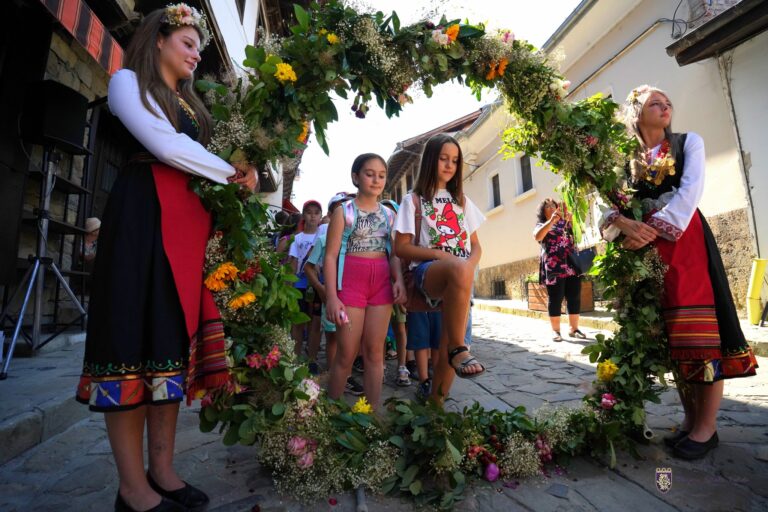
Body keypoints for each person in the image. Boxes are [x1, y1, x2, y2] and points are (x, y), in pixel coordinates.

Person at [75, 5, 258, 512]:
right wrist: (230, 173)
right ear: (158, 39)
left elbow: (202, 159)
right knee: (130, 344)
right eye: (188, 43)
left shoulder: (194, 107)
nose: (197, 53)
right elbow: (165, 145)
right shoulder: (127, 82)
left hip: (185, 229)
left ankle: (163, 470)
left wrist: (245, 174)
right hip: (141, 222)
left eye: (199, 46)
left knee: (167, 346)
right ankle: (132, 489)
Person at [601, 85, 758, 459]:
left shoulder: (689, 143)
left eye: (668, 101)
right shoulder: (624, 159)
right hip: (644, 252)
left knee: (700, 336)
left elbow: (690, 191)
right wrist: (623, 225)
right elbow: (605, 206)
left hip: (686, 244)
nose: (665, 105)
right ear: (635, 113)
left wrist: (649, 229)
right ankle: (690, 421)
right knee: (672, 339)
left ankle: (707, 428)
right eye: (655, 102)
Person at [394, 133, 486, 404]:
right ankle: (459, 349)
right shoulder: (413, 200)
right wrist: (439, 255)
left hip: (460, 279)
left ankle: (436, 408)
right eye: (443, 158)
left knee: (451, 341)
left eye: (455, 160)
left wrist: (466, 267)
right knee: (458, 346)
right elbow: (401, 247)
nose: (449, 165)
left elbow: (477, 246)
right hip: (427, 272)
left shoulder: (461, 201)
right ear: (431, 160)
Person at [325, 153, 405, 409]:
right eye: (370, 174)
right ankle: (330, 415)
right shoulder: (343, 212)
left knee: (375, 353)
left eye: (381, 175)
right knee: (346, 355)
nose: (376, 180)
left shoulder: (390, 215)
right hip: (350, 287)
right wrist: (332, 297)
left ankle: (370, 416)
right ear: (355, 177)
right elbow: (330, 257)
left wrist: (399, 280)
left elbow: (392, 254)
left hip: (381, 287)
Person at [303, 192, 363, 394]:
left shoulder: (359, 237)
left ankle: (343, 373)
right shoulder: (323, 239)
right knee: (333, 338)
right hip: (334, 295)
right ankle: (337, 375)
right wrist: (322, 289)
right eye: (340, 207)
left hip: (357, 296)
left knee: (353, 337)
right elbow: (309, 267)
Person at [533, 198, 586, 341]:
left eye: (553, 205)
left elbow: (580, 234)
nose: (551, 207)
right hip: (554, 266)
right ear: (543, 211)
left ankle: (574, 329)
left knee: (574, 296)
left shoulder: (566, 222)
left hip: (571, 265)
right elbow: (537, 236)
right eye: (547, 206)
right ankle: (556, 331)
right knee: (556, 298)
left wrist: (572, 220)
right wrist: (551, 222)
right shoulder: (542, 225)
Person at [288, 200, 323, 369]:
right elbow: (293, 263)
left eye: (316, 212)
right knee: (298, 322)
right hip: (300, 286)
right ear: (303, 215)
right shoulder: (297, 238)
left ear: (321, 216)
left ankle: (312, 359)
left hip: (317, 284)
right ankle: (294, 358)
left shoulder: (324, 237)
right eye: (309, 212)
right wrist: (289, 285)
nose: (313, 216)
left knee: (315, 322)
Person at [381, 199, 410, 386]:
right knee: (381, 330)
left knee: (400, 327)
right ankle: (380, 364)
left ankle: (402, 365)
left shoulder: (403, 238)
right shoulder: (378, 236)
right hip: (380, 286)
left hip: (398, 287)